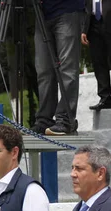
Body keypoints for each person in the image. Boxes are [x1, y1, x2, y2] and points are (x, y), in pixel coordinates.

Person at [34, 0, 85, 136]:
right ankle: (44, 120)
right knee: (44, 71)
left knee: (67, 69)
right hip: (42, 14)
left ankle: (65, 120)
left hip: (67, 10)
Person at [83, 0, 111, 110]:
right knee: (98, 62)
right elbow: (86, 6)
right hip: (93, 24)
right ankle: (104, 98)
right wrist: (83, 30)